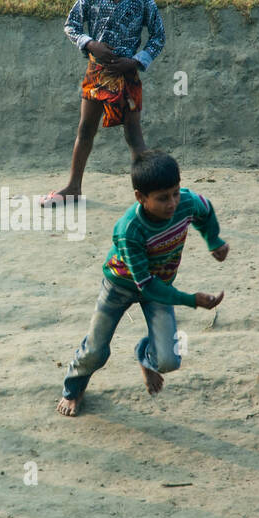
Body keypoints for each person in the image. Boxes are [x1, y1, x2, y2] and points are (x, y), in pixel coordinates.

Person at [57, 150, 227, 416]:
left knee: (168, 360)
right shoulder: (129, 230)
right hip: (121, 285)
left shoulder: (187, 202)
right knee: (95, 350)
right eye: (162, 198)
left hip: (160, 285)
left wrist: (214, 240)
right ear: (140, 197)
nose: (172, 203)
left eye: (175, 193)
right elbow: (145, 285)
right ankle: (73, 389)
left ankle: (144, 357)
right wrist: (190, 300)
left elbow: (205, 212)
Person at [44, 0, 165, 205]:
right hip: (97, 74)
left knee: (134, 137)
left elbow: (159, 37)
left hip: (128, 76)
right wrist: (89, 44)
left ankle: (149, 195)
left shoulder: (143, 0)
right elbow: (71, 25)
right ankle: (73, 187)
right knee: (85, 130)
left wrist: (135, 60)